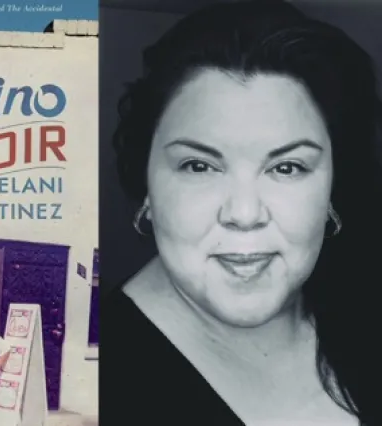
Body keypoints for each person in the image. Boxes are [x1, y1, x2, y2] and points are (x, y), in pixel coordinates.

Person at [102, 1, 381, 425]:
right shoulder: (98, 386)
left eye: (287, 168)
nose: (245, 213)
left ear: (331, 187)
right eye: (199, 166)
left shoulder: (364, 307)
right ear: (146, 186)